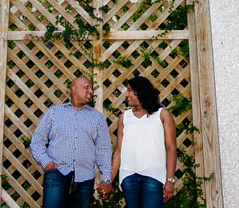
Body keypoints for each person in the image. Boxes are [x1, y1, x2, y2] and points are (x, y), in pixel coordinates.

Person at [30, 76, 113, 207]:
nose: (91, 91)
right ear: (74, 89)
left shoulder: (97, 118)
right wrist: (45, 161)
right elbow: (37, 140)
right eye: (86, 87)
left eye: (91, 88)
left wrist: (107, 179)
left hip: (85, 178)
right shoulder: (54, 113)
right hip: (56, 174)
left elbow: (103, 149)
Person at [111, 76, 177, 207]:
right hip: (129, 176)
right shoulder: (125, 117)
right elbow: (119, 150)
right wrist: (110, 180)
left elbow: (171, 148)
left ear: (141, 91)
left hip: (154, 176)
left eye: (130, 90)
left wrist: (170, 180)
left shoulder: (162, 114)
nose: (126, 94)